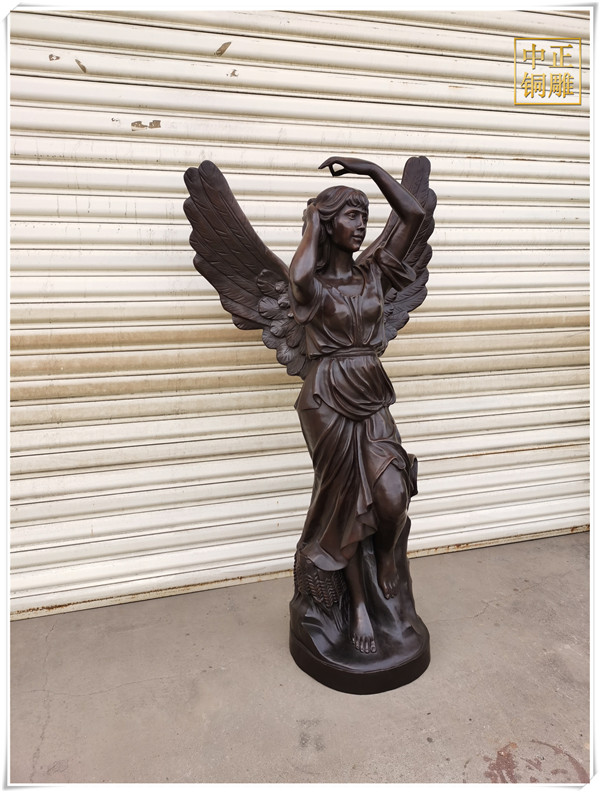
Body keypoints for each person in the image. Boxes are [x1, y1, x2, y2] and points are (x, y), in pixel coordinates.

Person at [289, 157, 426, 654]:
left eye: (364, 216)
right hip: (325, 397)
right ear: (328, 225)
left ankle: (386, 557)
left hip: (370, 392)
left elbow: (412, 216)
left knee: (391, 492)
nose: (362, 224)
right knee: (343, 505)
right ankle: (360, 607)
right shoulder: (312, 285)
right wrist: (312, 219)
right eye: (351, 215)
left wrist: (368, 170)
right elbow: (298, 276)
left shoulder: (375, 274)